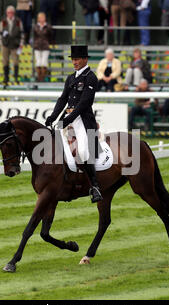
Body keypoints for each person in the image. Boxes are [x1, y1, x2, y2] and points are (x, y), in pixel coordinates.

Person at [45, 45, 103, 203]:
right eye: (73, 59)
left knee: (83, 151)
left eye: (77, 59)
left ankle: (95, 186)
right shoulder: (71, 78)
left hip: (83, 119)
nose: (75, 62)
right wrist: (53, 116)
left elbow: (84, 102)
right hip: (68, 117)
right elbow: (63, 99)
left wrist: (68, 119)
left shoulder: (91, 77)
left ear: (85, 59)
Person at [0, 5, 25, 88]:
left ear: (13, 13)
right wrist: (1, 44)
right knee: (5, 61)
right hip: (5, 44)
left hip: (15, 44)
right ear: (6, 13)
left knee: (16, 61)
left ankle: (16, 77)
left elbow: (22, 33)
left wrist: (21, 44)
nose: (10, 14)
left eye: (11, 12)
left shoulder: (18, 21)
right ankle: (6, 78)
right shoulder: (3, 22)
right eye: (8, 12)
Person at [33, 12, 53, 82]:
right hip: (37, 46)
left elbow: (50, 35)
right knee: (38, 62)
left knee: (44, 62)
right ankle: (39, 78)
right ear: (38, 19)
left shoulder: (48, 26)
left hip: (45, 46)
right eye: (40, 18)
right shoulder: (35, 26)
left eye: (43, 17)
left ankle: (42, 78)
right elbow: (34, 36)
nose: (42, 19)